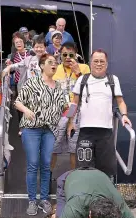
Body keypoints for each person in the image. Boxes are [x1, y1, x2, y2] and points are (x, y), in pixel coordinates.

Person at [68, 49, 132, 181]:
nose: (99, 64)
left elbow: (120, 102)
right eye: (96, 61)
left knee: (106, 172)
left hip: (106, 133)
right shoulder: (82, 79)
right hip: (86, 132)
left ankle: (105, 200)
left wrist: (124, 115)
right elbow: (74, 103)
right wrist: (70, 122)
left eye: (102, 61)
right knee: (84, 171)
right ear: (90, 63)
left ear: (106, 64)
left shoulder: (113, 80)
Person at [14, 54, 67, 216]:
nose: (54, 65)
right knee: (33, 163)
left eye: (56, 63)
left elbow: (63, 107)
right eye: (50, 62)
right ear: (42, 65)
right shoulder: (32, 83)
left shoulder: (58, 86)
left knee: (46, 164)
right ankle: (32, 200)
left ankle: (44, 199)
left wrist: (70, 107)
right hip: (31, 129)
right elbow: (17, 102)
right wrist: (26, 110)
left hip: (50, 130)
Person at [51, 42, 90, 174]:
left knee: (73, 149)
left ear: (76, 55)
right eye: (65, 55)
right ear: (60, 55)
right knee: (53, 147)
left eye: (71, 54)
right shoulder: (55, 68)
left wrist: (78, 73)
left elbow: (89, 91)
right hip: (58, 113)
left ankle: (74, 176)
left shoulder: (84, 68)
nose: (68, 57)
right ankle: (48, 177)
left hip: (77, 113)